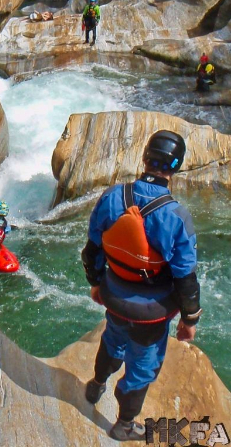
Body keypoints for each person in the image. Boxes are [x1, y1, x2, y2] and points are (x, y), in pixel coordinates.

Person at [81, 130, 201, 441]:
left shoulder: (112, 197)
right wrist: (189, 319)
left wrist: (96, 283)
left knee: (113, 339)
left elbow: (92, 250)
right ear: (175, 168)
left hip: (114, 295)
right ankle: (124, 425)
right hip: (152, 312)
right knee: (143, 366)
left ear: (144, 158)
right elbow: (186, 278)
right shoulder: (177, 216)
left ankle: (96, 385)